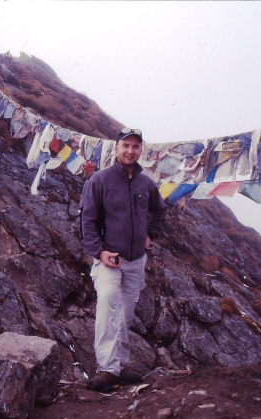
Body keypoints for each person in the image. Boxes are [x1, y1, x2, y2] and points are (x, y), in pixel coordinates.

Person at [80, 127, 167, 392]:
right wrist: (99, 251)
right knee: (108, 303)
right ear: (116, 148)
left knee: (126, 313)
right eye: (125, 145)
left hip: (135, 260)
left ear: (141, 150)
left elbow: (159, 211)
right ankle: (106, 368)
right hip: (108, 257)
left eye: (135, 146)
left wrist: (150, 234)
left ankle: (119, 365)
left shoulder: (146, 183)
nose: (130, 150)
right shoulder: (99, 180)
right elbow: (87, 220)